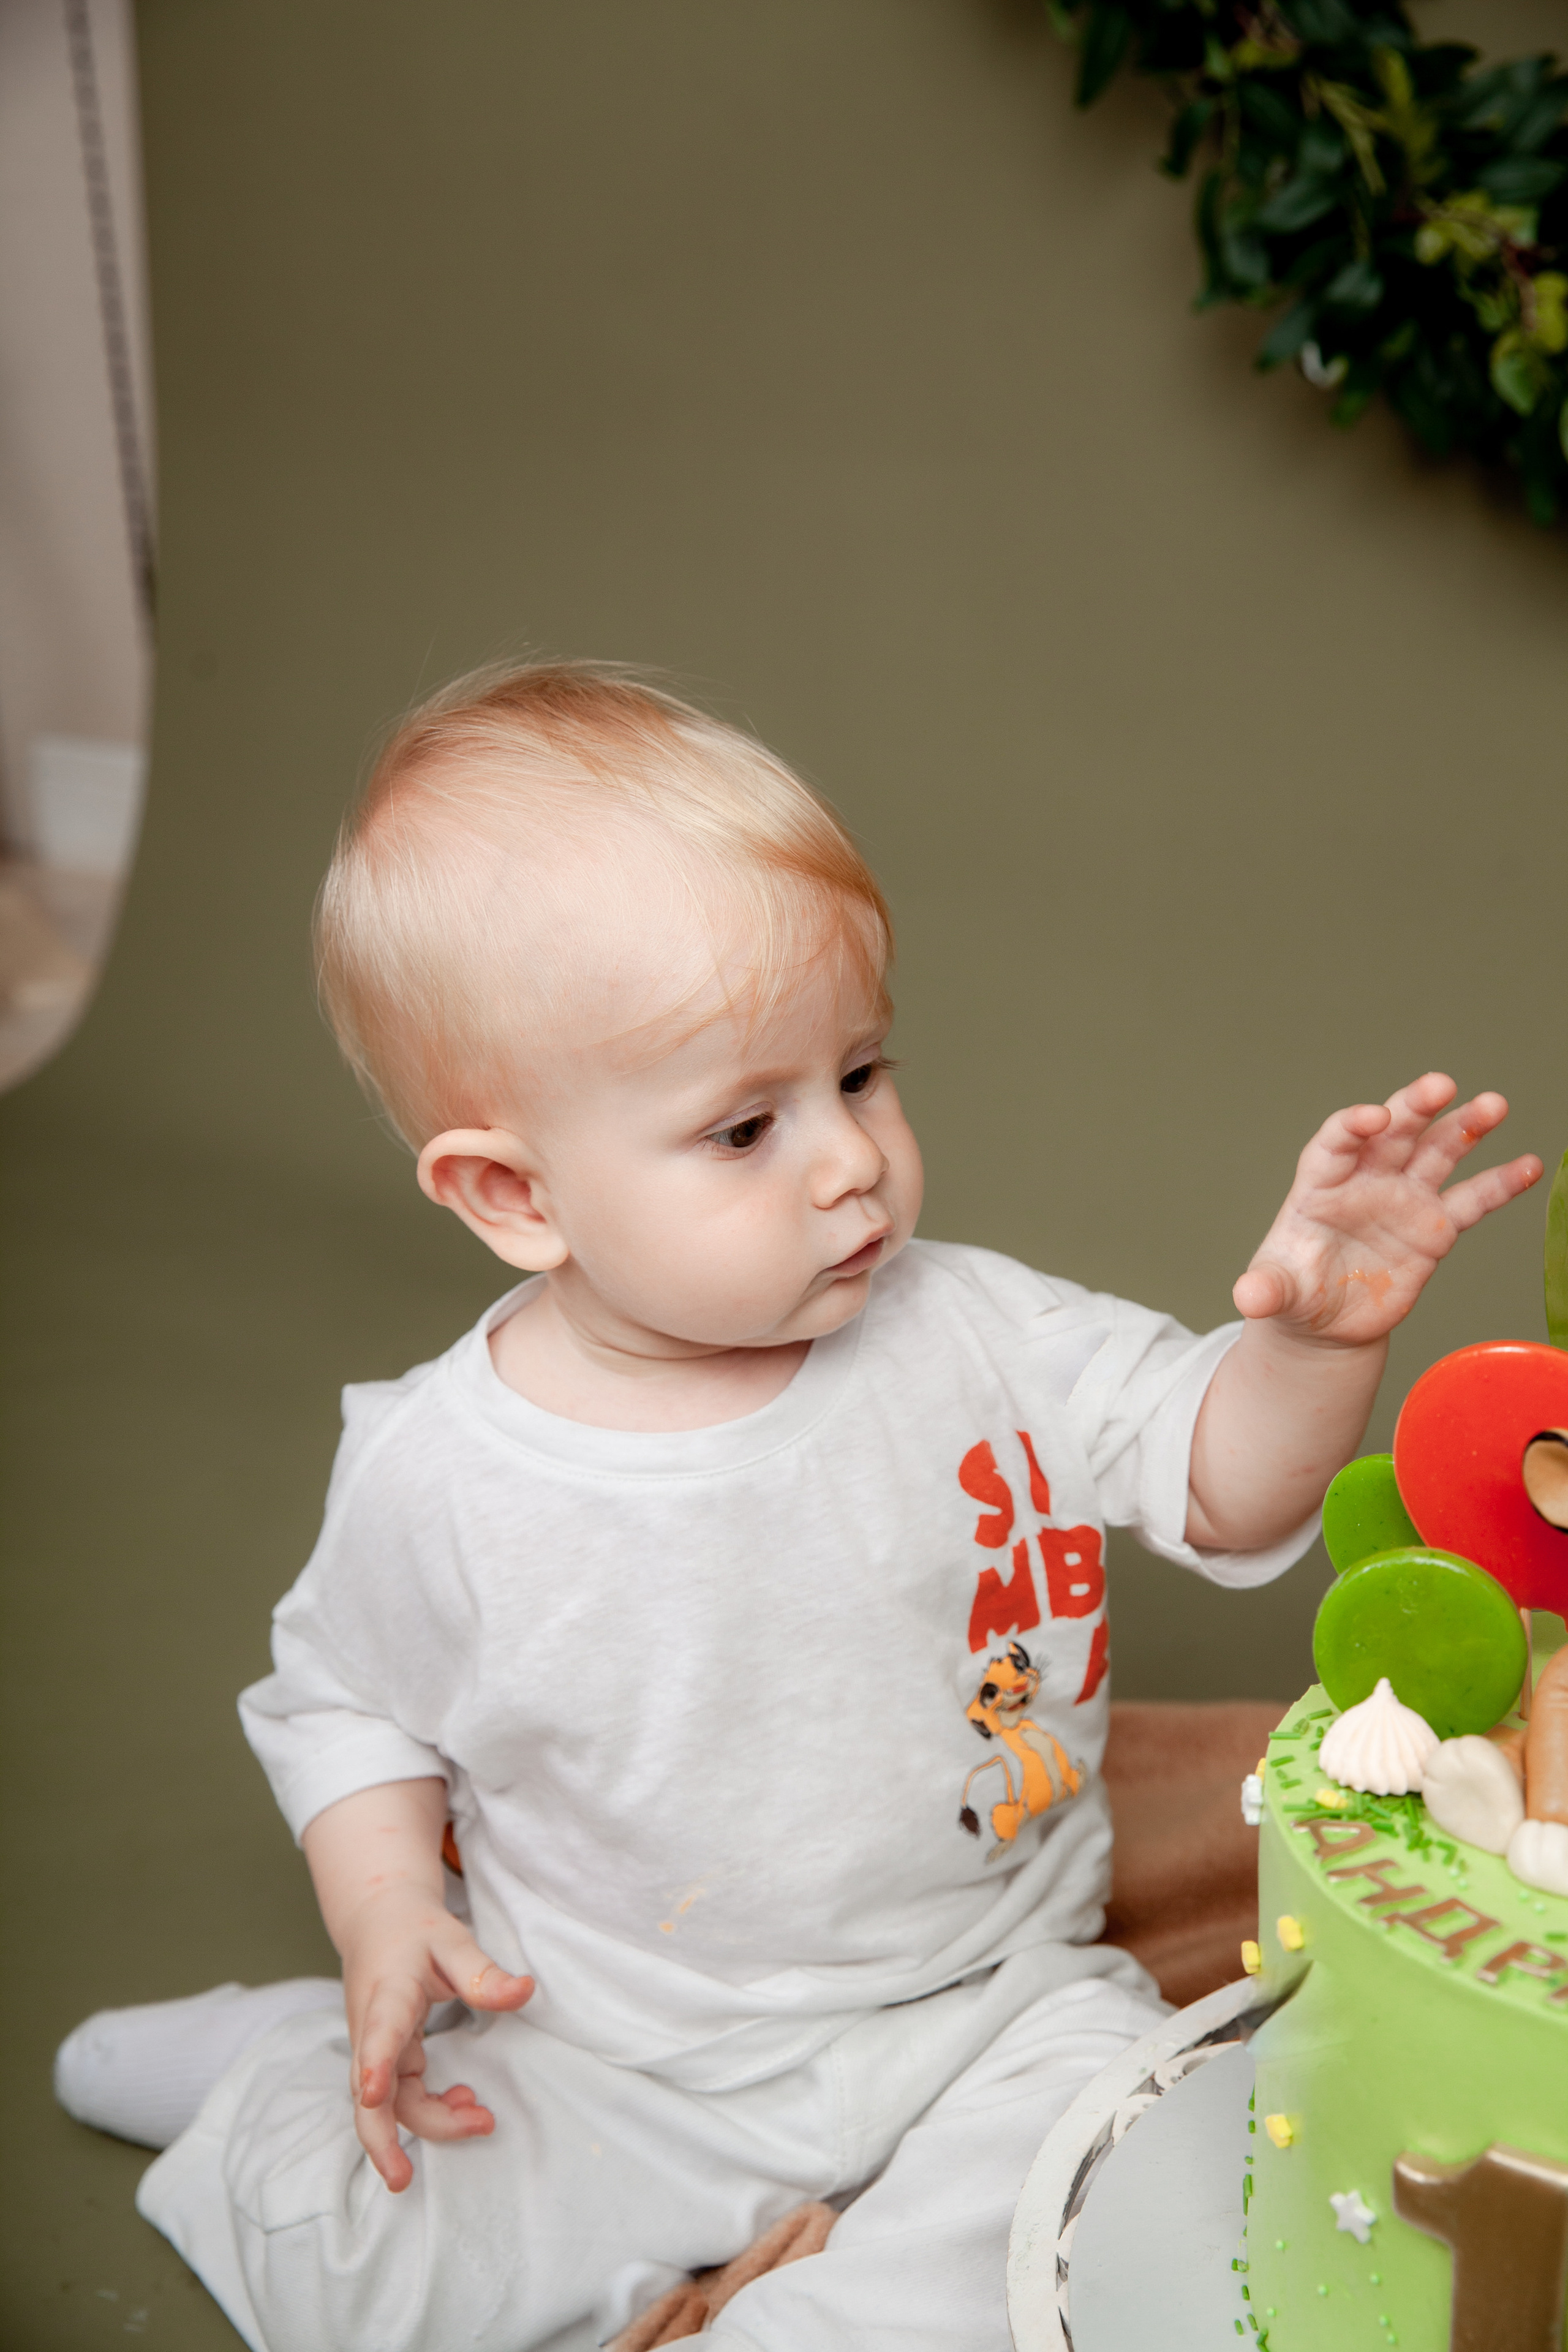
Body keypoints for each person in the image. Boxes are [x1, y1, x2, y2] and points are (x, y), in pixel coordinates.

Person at [54, 664, 1539, 2352]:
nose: (848, 1162)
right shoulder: (447, 1476)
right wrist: (388, 1908)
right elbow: (343, 1706)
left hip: (998, 1993)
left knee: (1115, 2198)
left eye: (864, 1074)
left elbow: (1222, 1475)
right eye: (748, 1125)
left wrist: (1308, 1340)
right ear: (515, 1195)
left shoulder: (979, 1332)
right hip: (621, 2047)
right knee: (380, 2274)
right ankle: (279, 2083)